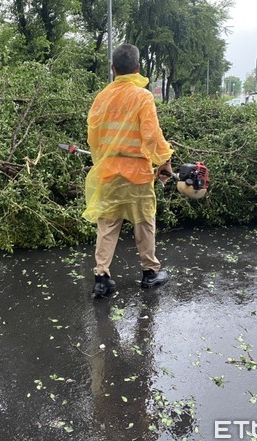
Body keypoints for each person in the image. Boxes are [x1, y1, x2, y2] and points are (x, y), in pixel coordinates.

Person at [83, 43, 174, 298]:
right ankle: (150, 272)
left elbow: (93, 136)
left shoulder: (102, 97)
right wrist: (164, 160)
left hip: (110, 171)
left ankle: (101, 278)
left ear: (113, 69)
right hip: (137, 173)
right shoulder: (142, 96)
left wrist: (102, 159)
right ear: (137, 68)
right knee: (144, 221)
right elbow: (152, 135)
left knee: (107, 224)